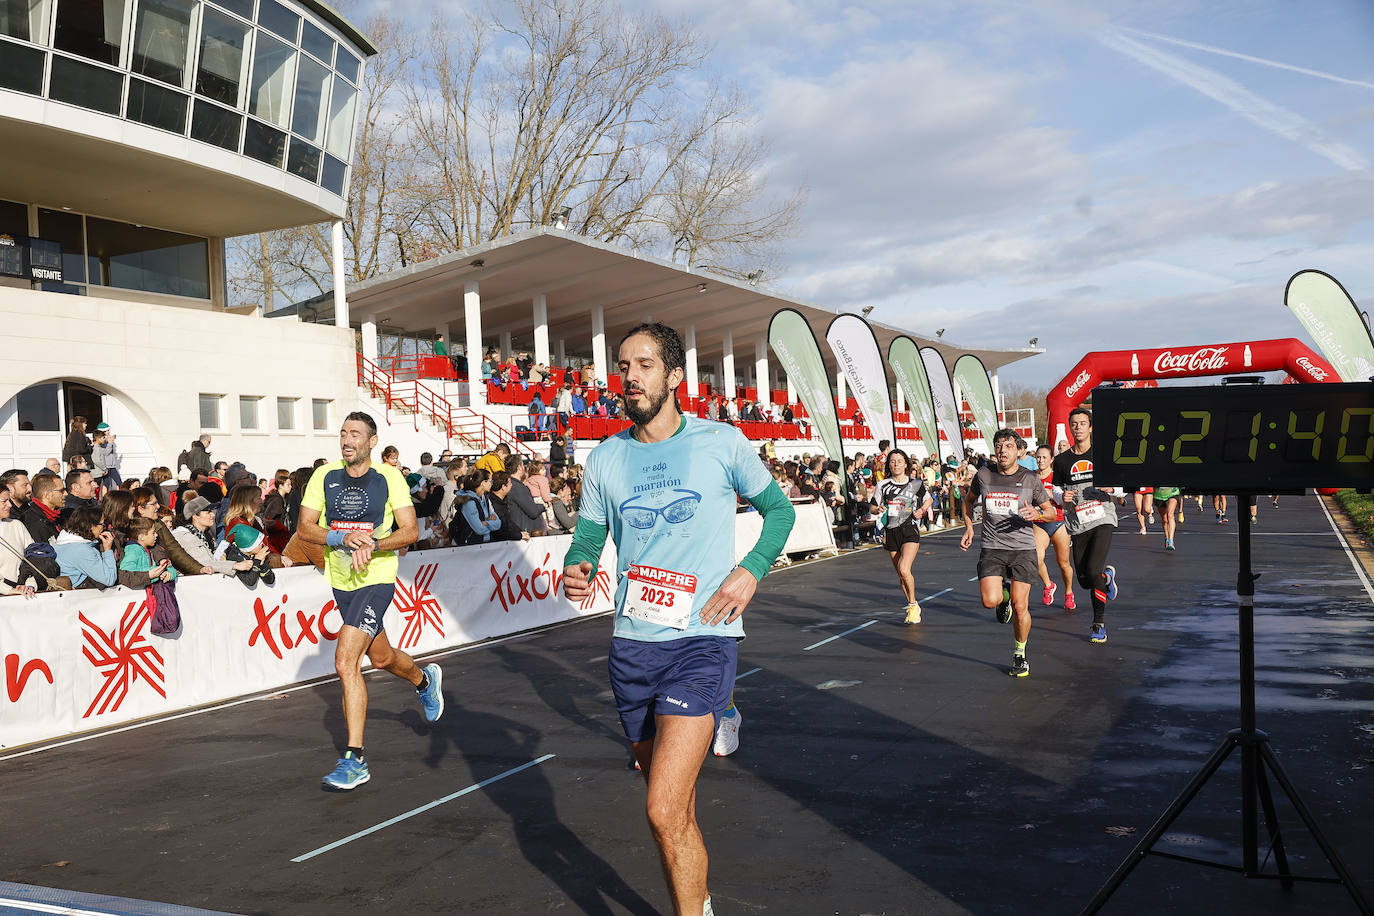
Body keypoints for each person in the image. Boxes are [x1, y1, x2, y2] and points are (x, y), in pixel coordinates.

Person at [561, 322, 795, 916]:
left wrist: (751, 571)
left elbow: (778, 511)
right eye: (624, 365)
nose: (630, 376)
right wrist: (579, 563)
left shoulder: (721, 442)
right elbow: (590, 533)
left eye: (644, 364)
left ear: (673, 376)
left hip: (702, 639)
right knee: (675, 810)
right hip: (633, 648)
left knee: (661, 808)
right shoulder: (606, 457)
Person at [296, 412, 443, 790]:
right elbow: (305, 528)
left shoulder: (389, 477)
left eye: (356, 434)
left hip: (376, 579)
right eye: (343, 433)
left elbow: (410, 532)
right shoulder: (324, 476)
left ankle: (355, 759)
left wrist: (374, 544)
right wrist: (341, 539)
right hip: (342, 580)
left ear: (372, 441)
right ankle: (424, 680)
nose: (347, 440)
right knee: (380, 657)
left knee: (346, 661)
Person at [960, 429, 1055, 677]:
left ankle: (1019, 653)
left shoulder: (1031, 478)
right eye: (999, 446)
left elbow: (1051, 512)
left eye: (1008, 446)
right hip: (992, 547)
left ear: (1019, 451)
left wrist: (1039, 514)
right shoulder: (983, 475)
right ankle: (1002, 596)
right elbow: (968, 501)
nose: (1003, 450)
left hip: (1023, 550)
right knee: (989, 600)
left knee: (1021, 606)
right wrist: (969, 528)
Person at [1052, 407, 1121, 645]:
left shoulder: (1102, 454)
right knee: (1084, 580)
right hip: (1077, 522)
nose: (1078, 427)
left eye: (1083, 423)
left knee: (1092, 572)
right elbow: (1055, 487)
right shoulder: (1061, 460)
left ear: (1090, 427)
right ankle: (1106, 577)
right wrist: (1062, 496)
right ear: (1070, 428)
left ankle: (1098, 624)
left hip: (1102, 517)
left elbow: (1122, 484)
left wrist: (1112, 489)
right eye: (1074, 424)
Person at [871, 449, 932, 624]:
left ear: (906, 463)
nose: (896, 464)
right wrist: (879, 509)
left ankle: (912, 605)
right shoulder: (882, 485)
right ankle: (912, 603)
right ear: (888, 464)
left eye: (899, 461)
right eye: (892, 461)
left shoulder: (916, 484)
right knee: (901, 574)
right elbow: (872, 507)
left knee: (904, 568)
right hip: (891, 531)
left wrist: (921, 510)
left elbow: (929, 500)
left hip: (909, 530)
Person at [1032, 445, 1075, 609]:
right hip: (1040, 522)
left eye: (1044, 457)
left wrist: (1050, 495)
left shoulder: (1057, 477)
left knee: (1063, 563)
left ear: (1051, 459)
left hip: (1058, 521)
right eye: (1038, 457)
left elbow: (1066, 499)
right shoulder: (1032, 478)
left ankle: (1069, 592)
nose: (1040, 460)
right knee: (1036, 558)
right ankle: (1048, 585)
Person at [172, 495, 256, 578]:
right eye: (208, 512)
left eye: (212, 511)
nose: (213, 515)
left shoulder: (205, 535)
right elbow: (204, 562)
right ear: (195, 516)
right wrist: (235, 565)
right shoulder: (186, 536)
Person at [54, 505, 117, 588]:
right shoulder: (82, 550)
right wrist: (108, 550)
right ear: (91, 526)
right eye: (102, 524)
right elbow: (109, 579)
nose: (104, 528)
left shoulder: (62, 541)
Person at [449, 469, 502, 545]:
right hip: (470, 546)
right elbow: (479, 529)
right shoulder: (469, 502)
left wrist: (486, 523)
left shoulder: (486, 498)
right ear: (483, 483)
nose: (492, 484)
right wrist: (491, 523)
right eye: (490, 481)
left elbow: (498, 523)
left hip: (485, 543)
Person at [20, 473, 64, 544]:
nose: (66, 494)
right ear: (47, 495)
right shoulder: (33, 523)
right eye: (61, 491)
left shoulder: (58, 517)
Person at [1154, 485, 1181, 551]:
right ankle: (1167, 538)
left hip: (1173, 493)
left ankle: (1171, 542)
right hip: (1159, 495)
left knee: (1170, 515)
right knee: (1165, 519)